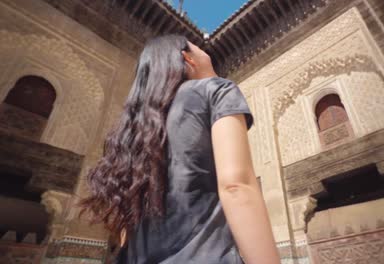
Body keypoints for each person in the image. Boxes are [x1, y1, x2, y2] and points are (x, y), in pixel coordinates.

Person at [80, 35, 280, 264]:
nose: (207, 53)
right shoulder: (216, 90)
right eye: (199, 48)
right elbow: (237, 186)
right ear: (188, 58)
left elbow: (128, 222)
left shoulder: (137, 128)